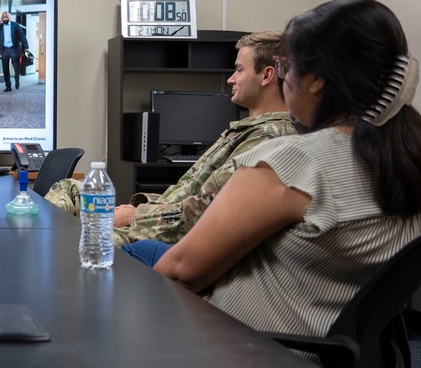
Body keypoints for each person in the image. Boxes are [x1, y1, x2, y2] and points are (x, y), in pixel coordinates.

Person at [154, 0, 421, 340]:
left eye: (287, 67)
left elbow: (179, 274)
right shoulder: (407, 157)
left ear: (316, 81)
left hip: (246, 362)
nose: (283, 78)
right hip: (332, 364)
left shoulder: (290, 161)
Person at [46, 31, 295, 263]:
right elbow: (187, 196)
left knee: (67, 242)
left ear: (266, 75)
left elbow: (204, 212)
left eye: (239, 70)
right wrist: (137, 207)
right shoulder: (245, 130)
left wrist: (135, 216)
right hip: (155, 219)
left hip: (167, 237)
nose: (231, 78)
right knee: (70, 187)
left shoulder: (267, 139)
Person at [0, 11, 29, 92]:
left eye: (6, 17)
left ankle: (17, 80)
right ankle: (8, 86)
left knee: (16, 66)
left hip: (14, 49)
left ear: (9, 17)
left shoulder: (15, 25)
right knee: (5, 69)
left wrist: (26, 47)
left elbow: (22, 36)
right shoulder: (0, 26)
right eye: (3, 18)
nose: (5, 19)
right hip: (4, 49)